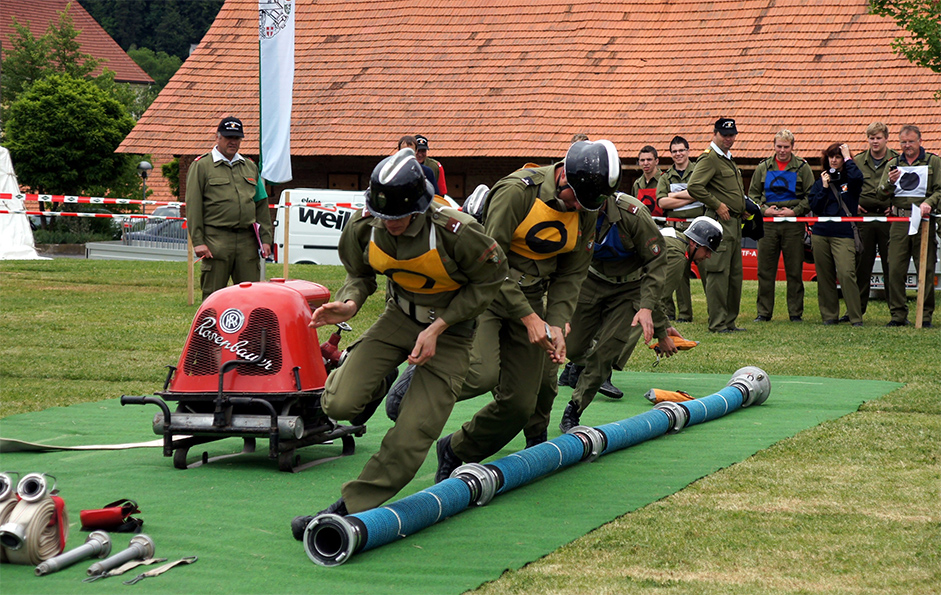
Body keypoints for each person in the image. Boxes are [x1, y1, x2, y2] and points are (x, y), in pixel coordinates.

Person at [289, 149, 506, 534]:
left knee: (411, 438)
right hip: (399, 318)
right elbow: (359, 274)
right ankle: (383, 379)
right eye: (383, 215)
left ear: (420, 208)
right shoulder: (364, 226)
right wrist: (350, 303)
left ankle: (349, 507)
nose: (389, 224)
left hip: (451, 333)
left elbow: (489, 280)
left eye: (399, 217)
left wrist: (440, 327)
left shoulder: (456, 231)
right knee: (339, 404)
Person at [434, 140, 620, 482]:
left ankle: (457, 449)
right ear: (564, 176)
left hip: (532, 298)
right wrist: (530, 318)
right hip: (487, 293)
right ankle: (420, 381)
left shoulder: (587, 205)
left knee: (520, 404)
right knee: (482, 373)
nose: (577, 207)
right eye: (575, 198)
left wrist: (557, 323)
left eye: (586, 203)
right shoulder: (517, 192)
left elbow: (572, 273)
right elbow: (489, 264)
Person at [552, 205, 721, 433]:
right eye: (707, 250)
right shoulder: (676, 255)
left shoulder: (664, 234)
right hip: (597, 283)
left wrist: (662, 329)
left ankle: (575, 408)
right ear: (695, 243)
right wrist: (662, 333)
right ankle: (585, 365)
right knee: (574, 347)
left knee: (606, 352)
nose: (708, 256)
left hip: (627, 291)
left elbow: (651, 293)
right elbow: (657, 296)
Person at [185, 117, 273, 300]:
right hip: (216, 240)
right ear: (217, 137)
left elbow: (261, 205)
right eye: (228, 137)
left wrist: (266, 239)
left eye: (237, 138)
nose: (233, 142)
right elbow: (193, 206)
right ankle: (212, 321)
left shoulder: (250, 166)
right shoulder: (201, 166)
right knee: (213, 296)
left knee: (251, 296)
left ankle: (248, 321)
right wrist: (198, 241)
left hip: (247, 241)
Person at [687, 118, 749, 333]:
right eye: (724, 135)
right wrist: (717, 204)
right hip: (720, 223)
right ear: (715, 134)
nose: (728, 139)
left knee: (734, 276)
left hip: (734, 222)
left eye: (732, 135)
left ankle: (729, 321)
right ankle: (717, 323)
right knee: (718, 273)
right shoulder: (710, 158)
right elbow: (694, 186)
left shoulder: (727, 158)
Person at [877, 125, 940, 327]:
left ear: (920, 141)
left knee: (926, 268)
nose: (907, 146)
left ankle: (925, 315)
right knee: (895, 268)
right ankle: (898, 314)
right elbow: (880, 194)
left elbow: (940, 190)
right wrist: (889, 182)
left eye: (911, 141)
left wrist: (929, 203)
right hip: (900, 221)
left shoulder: (933, 162)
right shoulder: (893, 163)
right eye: (903, 142)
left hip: (924, 221)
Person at [749, 129, 814, 323]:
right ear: (774, 146)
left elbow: (812, 195)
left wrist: (795, 211)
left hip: (793, 224)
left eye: (786, 147)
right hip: (768, 225)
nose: (782, 150)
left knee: (794, 270)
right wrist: (763, 210)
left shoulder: (802, 167)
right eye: (779, 146)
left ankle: (795, 313)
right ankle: (763, 312)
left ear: (792, 147)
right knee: (765, 270)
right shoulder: (763, 167)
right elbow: (752, 195)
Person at [808, 143, 865, 326]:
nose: (834, 160)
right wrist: (825, 188)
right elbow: (814, 206)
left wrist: (848, 157)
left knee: (846, 274)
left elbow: (858, 178)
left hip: (844, 234)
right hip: (821, 234)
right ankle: (829, 316)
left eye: (838, 157)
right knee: (824, 276)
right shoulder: (821, 181)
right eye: (831, 157)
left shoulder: (850, 180)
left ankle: (855, 317)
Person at [850, 123, 898, 319]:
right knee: (862, 266)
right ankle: (856, 311)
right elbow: (848, 186)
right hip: (865, 219)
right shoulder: (858, 161)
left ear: (886, 138)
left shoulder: (897, 160)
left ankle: (896, 312)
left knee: (891, 266)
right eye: (871, 138)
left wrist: (895, 205)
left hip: (889, 219)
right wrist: (853, 204)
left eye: (878, 138)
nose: (875, 141)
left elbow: (906, 186)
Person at [657, 135, 702, 322]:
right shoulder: (666, 176)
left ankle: (715, 314)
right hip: (675, 230)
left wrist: (674, 196)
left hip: (698, 229)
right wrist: (692, 196)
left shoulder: (699, 171)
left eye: (681, 150)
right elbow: (662, 202)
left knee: (707, 271)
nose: (678, 154)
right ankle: (681, 314)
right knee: (677, 273)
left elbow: (704, 192)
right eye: (674, 151)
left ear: (688, 151)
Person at [632, 145, 662, 218]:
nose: (645, 163)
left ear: (656, 161)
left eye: (649, 159)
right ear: (639, 162)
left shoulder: (665, 180)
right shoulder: (637, 184)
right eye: (642, 160)